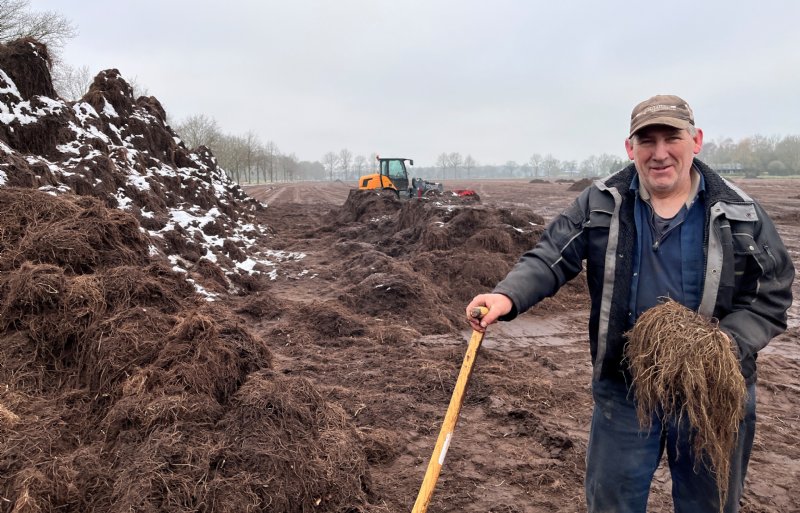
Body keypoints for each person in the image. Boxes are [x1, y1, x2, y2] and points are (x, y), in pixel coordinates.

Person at [466, 94, 794, 513]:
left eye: (670, 138)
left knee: (708, 504)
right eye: (647, 141)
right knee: (613, 500)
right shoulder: (602, 202)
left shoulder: (741, 212)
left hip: (711, 390)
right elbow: (550, 256)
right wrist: (506, 295)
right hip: (625, 387)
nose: (659, 153)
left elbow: (774, 292)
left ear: (695, 140)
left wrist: (724, 345)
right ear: (629, 148)